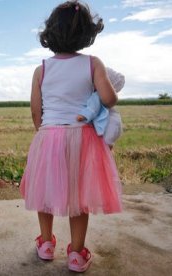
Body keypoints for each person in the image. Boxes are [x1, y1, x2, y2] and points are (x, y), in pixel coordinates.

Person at [19, 1, 122, 272]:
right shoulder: (92, 64)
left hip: (49, 135)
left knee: (46, 191)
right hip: (83, 138)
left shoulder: (41, 69)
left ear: (50, 33)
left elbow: (35, 111)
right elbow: (109, 99)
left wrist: (44, 133)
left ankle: (45, 243)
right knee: (80, 196)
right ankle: (76, 254)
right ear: (87, 33)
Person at [77, 67, 125, 148]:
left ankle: (106, 146)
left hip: (105, 121)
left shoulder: (97, 96)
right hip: (107, 120)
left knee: (107, 135)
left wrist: (84, 115)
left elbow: (92, 108)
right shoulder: (97, 95)